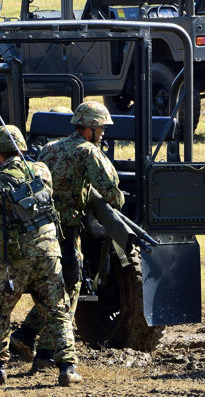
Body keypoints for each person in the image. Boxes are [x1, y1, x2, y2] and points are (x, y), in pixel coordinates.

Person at [9, 102, 124, 370]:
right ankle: (45, 351)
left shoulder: (50, 149)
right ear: (90, 128)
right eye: (102, 128)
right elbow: (112, 193)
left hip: (41, 229)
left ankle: (28, 337)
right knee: (68, 290)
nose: (104, 133)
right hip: (68, 233)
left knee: (53, 289)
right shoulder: (89, 153)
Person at [0, 125, 81, 387]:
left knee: (1, 312)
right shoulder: (42, 171)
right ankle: (67, 368)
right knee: (58, 309)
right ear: (22, 148)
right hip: (49, 252)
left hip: (16, 258)